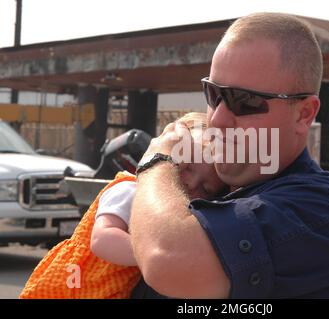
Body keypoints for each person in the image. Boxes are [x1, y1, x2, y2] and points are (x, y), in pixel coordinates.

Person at [130, 12, 329, 299]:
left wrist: (157, 161)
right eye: (213, 94)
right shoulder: (215, 189)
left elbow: (166, 259)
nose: (218, 119)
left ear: (304, 113)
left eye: (244, 100)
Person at [20, 112, 227, 299]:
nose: (192, 183)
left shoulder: (175, 210)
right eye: (188, 166)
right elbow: (103, 239)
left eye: (206, 188)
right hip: (73, 284)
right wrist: (153, 252)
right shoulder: (131, 190)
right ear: (166, 153)